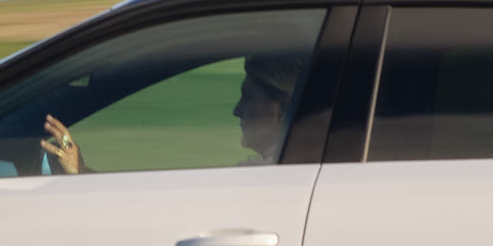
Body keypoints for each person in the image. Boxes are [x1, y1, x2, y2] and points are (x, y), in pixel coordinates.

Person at [38, 52, 301, 175]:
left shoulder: (270, 177)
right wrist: (81, 171)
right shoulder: (270, 171)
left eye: (248, 97)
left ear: (283, 110)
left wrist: (81, 173)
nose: (237, 110)